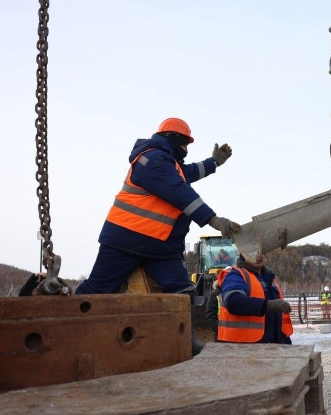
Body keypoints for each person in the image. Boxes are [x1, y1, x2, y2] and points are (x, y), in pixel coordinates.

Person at [76, 118, 240, 295]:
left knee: (183, 293)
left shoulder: (167, 163)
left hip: (157, 247)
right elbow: (179, 191)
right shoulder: (151, 159)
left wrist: (213, 162)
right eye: (185, 142)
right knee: (96, 291)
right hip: (126, 241)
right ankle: (65, 316)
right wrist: (212, 219)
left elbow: (188, 173)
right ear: (174, 139)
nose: (186, 148)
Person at [218, 255, 293, 344]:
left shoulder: (268, 278)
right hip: (243, 347)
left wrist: (285, 341)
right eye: (254, 252)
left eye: (261, 252)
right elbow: (233, 302)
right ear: (243, 254)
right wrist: (268, 305)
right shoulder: (236, 275)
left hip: (274, 345)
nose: (258, 256)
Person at [205, 267, 232, 336]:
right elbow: (210, 317)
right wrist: (220, 331)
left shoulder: (242, 294)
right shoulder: (215, 295)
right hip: (222, 336)